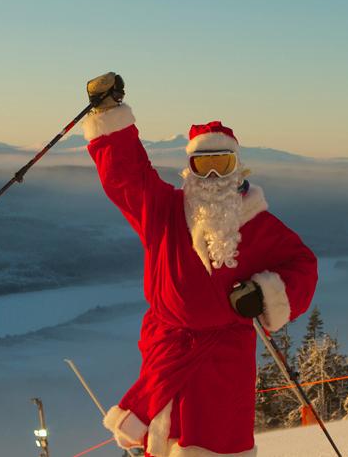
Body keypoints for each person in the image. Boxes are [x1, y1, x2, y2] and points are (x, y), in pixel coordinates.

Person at [83, 72, 318, 456]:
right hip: (168, 349)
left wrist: (263, 294)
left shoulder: (259, 224)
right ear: (189, 168)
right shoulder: (163, 211)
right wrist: (110, 114)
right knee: (166, 438)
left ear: (238, 168)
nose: (211, 176)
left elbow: (302, 265)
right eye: (202, 164)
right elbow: (127, 178)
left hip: (225, 359)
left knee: (219, 441)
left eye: (221, 164)